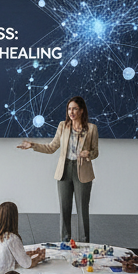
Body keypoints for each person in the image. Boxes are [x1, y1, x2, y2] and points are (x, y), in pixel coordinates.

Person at [17, 96, 99, 243]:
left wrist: (89, 154)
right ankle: (65, 243)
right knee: (64, 210)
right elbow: (51, 148)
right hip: (64, 171)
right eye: (69, 109)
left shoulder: (91, 129)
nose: (71, 112)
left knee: (82, 210)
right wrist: (33, 145)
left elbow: (95, 152)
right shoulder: (63, 126)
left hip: (83, 172)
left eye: (74, 109)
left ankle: (84, 244)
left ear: (81, 110)